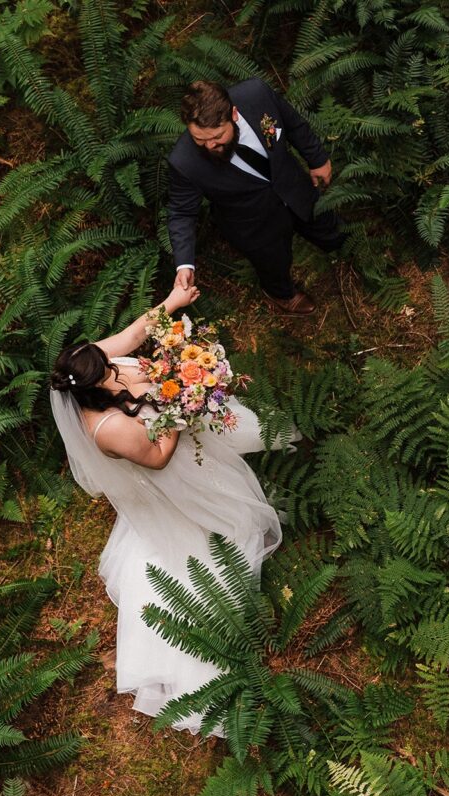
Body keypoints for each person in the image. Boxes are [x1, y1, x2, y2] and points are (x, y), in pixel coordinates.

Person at [49, 282, 286, 735]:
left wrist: (173, 303)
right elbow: (157, 459)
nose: (120, 368)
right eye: (111, 374)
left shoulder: (87, 361)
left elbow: (135, 333)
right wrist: (179, 402)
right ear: (96, 387)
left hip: (179, 429)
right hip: (172, 474)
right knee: (218, 535)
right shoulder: (110, 428)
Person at [167, 78, 344, 317]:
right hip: (253, 224)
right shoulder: (183, 161)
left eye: (217, 136)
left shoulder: (257, 95)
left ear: (234, 114)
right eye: (199, 139)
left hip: (295, 187)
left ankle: (345, 248)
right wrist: (184, 263)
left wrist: (318, 159)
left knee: (323, 223)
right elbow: (181, 212)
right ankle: (282, 294)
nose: (209, 145)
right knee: (273, 264)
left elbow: (292, 124)